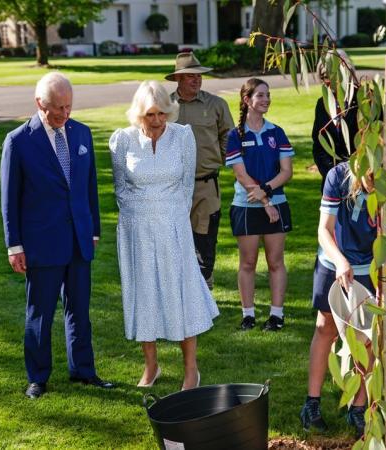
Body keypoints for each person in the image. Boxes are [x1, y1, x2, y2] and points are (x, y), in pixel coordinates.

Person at [0, 72, 113, 399]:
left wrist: (92, 229)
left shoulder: (82, 133)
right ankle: (38, 377)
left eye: (68, 106)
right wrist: (14, 245)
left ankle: (84, 371)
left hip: (79, 238)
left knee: (79, 310)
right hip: (41, 242)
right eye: (58, 108)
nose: (65, 113)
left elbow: (89, 186)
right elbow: (9, 199)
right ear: (39, 104)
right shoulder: (18, 141)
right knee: (41, 312)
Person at [109, 80, 219, 390]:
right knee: (144, 294)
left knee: (180, 294)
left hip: (174, 227)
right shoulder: (122, 141)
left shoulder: (183, 136)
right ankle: (151, 366)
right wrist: (139, 214)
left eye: (161, 113)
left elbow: (187, 185)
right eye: (149, 115)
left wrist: (172, 217)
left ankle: (190, 371)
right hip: (136, 229)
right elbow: (120, 186)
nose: (157, 121)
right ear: (138, 115)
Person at [300, 162, 386, 437]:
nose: (371, 183)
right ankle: (312, 404)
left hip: (368, 269)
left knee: (366, 337)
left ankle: (358, 408)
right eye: (368, 177)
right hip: (333, 263)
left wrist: (384, 284)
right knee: (325, 329)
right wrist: (340, 261)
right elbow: (324, 229)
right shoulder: (338, 176)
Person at [225, 78, 294, 331]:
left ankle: (277, 316)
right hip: (246, 207)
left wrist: (266, 191)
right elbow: (241, 176)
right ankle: (248, 315)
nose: (266, 99)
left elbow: (286, 172)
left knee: (276, 261)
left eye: (268, 95)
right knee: (248, 263)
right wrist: (265, 201)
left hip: (277, 204)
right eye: (260, 96)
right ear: (247, 101)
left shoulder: (277, 132)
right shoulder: (235, 135)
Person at [166, 52, 234, 290]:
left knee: (204, 238)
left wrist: (219, 160)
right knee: (173, 238)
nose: (196, 80)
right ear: (178, 79)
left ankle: (205, 288)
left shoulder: (216, 105)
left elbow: (229, 136)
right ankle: (178, 289)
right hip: (170, 186)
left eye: (199, 76)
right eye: (190, 76)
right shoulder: (165, 106)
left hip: (205, 184)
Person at [312, 49, 359, 191]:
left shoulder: (365, 101)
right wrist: (332, 175)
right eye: (324, 77)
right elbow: (319, 145)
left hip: (362, 182)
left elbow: (376, 141)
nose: (328, 81)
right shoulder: (322, 103)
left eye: (332, 75)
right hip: (332, 183)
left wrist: (356, 175)